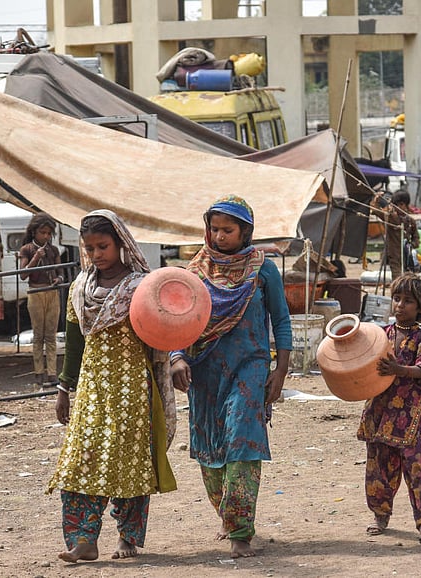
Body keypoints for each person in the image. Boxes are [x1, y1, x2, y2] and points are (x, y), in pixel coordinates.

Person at [47, 209, 180, 563]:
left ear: (121, 244)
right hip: (92, 390)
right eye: (89, 248)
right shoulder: (80, 288)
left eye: (103, 246)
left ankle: (128, 538)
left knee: (129, 464)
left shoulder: (142, 287)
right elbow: (74, 344)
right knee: (80, 461)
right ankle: (84, 541)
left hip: (132, 389)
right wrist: (64, 389)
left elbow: (166, 329)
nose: (96, 255)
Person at [170, 195, 292, 559]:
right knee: (210, 450)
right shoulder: (193, 272)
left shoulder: (263, 270)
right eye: (215, 228)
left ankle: (241, 530)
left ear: (245, 232)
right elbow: (176, 319)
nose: (220, 236)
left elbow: (281, 320)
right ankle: (228, 515)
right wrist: (176, 358)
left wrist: (280, 370)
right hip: (204, 369)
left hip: (250, 367)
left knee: (242, 441)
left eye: (228, 230)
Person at [359, 272, 421, 545]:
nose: (399, 305)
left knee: (418, 468)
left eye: (408, 301)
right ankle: (380, 516)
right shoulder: (380, 335)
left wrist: (398, 370)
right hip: (379, 411)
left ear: (420, 306)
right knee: (378, 468)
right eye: (396, 298)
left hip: (411, 415)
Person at [19, 212, 63, 386]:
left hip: (51, 294)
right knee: (38, 335)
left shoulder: (53, 250)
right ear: (34, 232)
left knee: (51, 335)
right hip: (35, 293)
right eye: (42, 233)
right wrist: (36, 257)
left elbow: (60, 271)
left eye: (48, 233)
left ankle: (52, 373)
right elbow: (23, 275)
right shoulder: (27, 250)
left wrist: (59, 279)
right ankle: (38, 372)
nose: (45, 236)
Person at [372, 189, 420, 279]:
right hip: (394, 255)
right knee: (398, 278)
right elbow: (375, 210)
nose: (399, 207)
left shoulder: (410, 220)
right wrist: (376, 200)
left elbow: (416, 238)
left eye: (401, 204)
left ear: (406, 205)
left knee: (409, 278)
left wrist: (411, 245)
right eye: (396, 204)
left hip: (407, 256)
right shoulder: (390, 217)